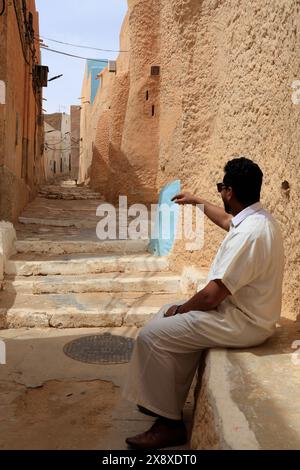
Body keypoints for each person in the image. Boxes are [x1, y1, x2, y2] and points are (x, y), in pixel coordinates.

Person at [123, 156, 284, 450]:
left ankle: (169, 425)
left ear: (231, 192)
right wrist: (196, 201)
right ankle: (159, 402)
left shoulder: (249, 234)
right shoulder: (258, 219)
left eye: (221, 187)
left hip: (244, 322)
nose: (220, 193)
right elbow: (226, 221)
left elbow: (212, 296)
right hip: (244, 313)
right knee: (164, 315)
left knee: (152, 335)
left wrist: (181, 310)